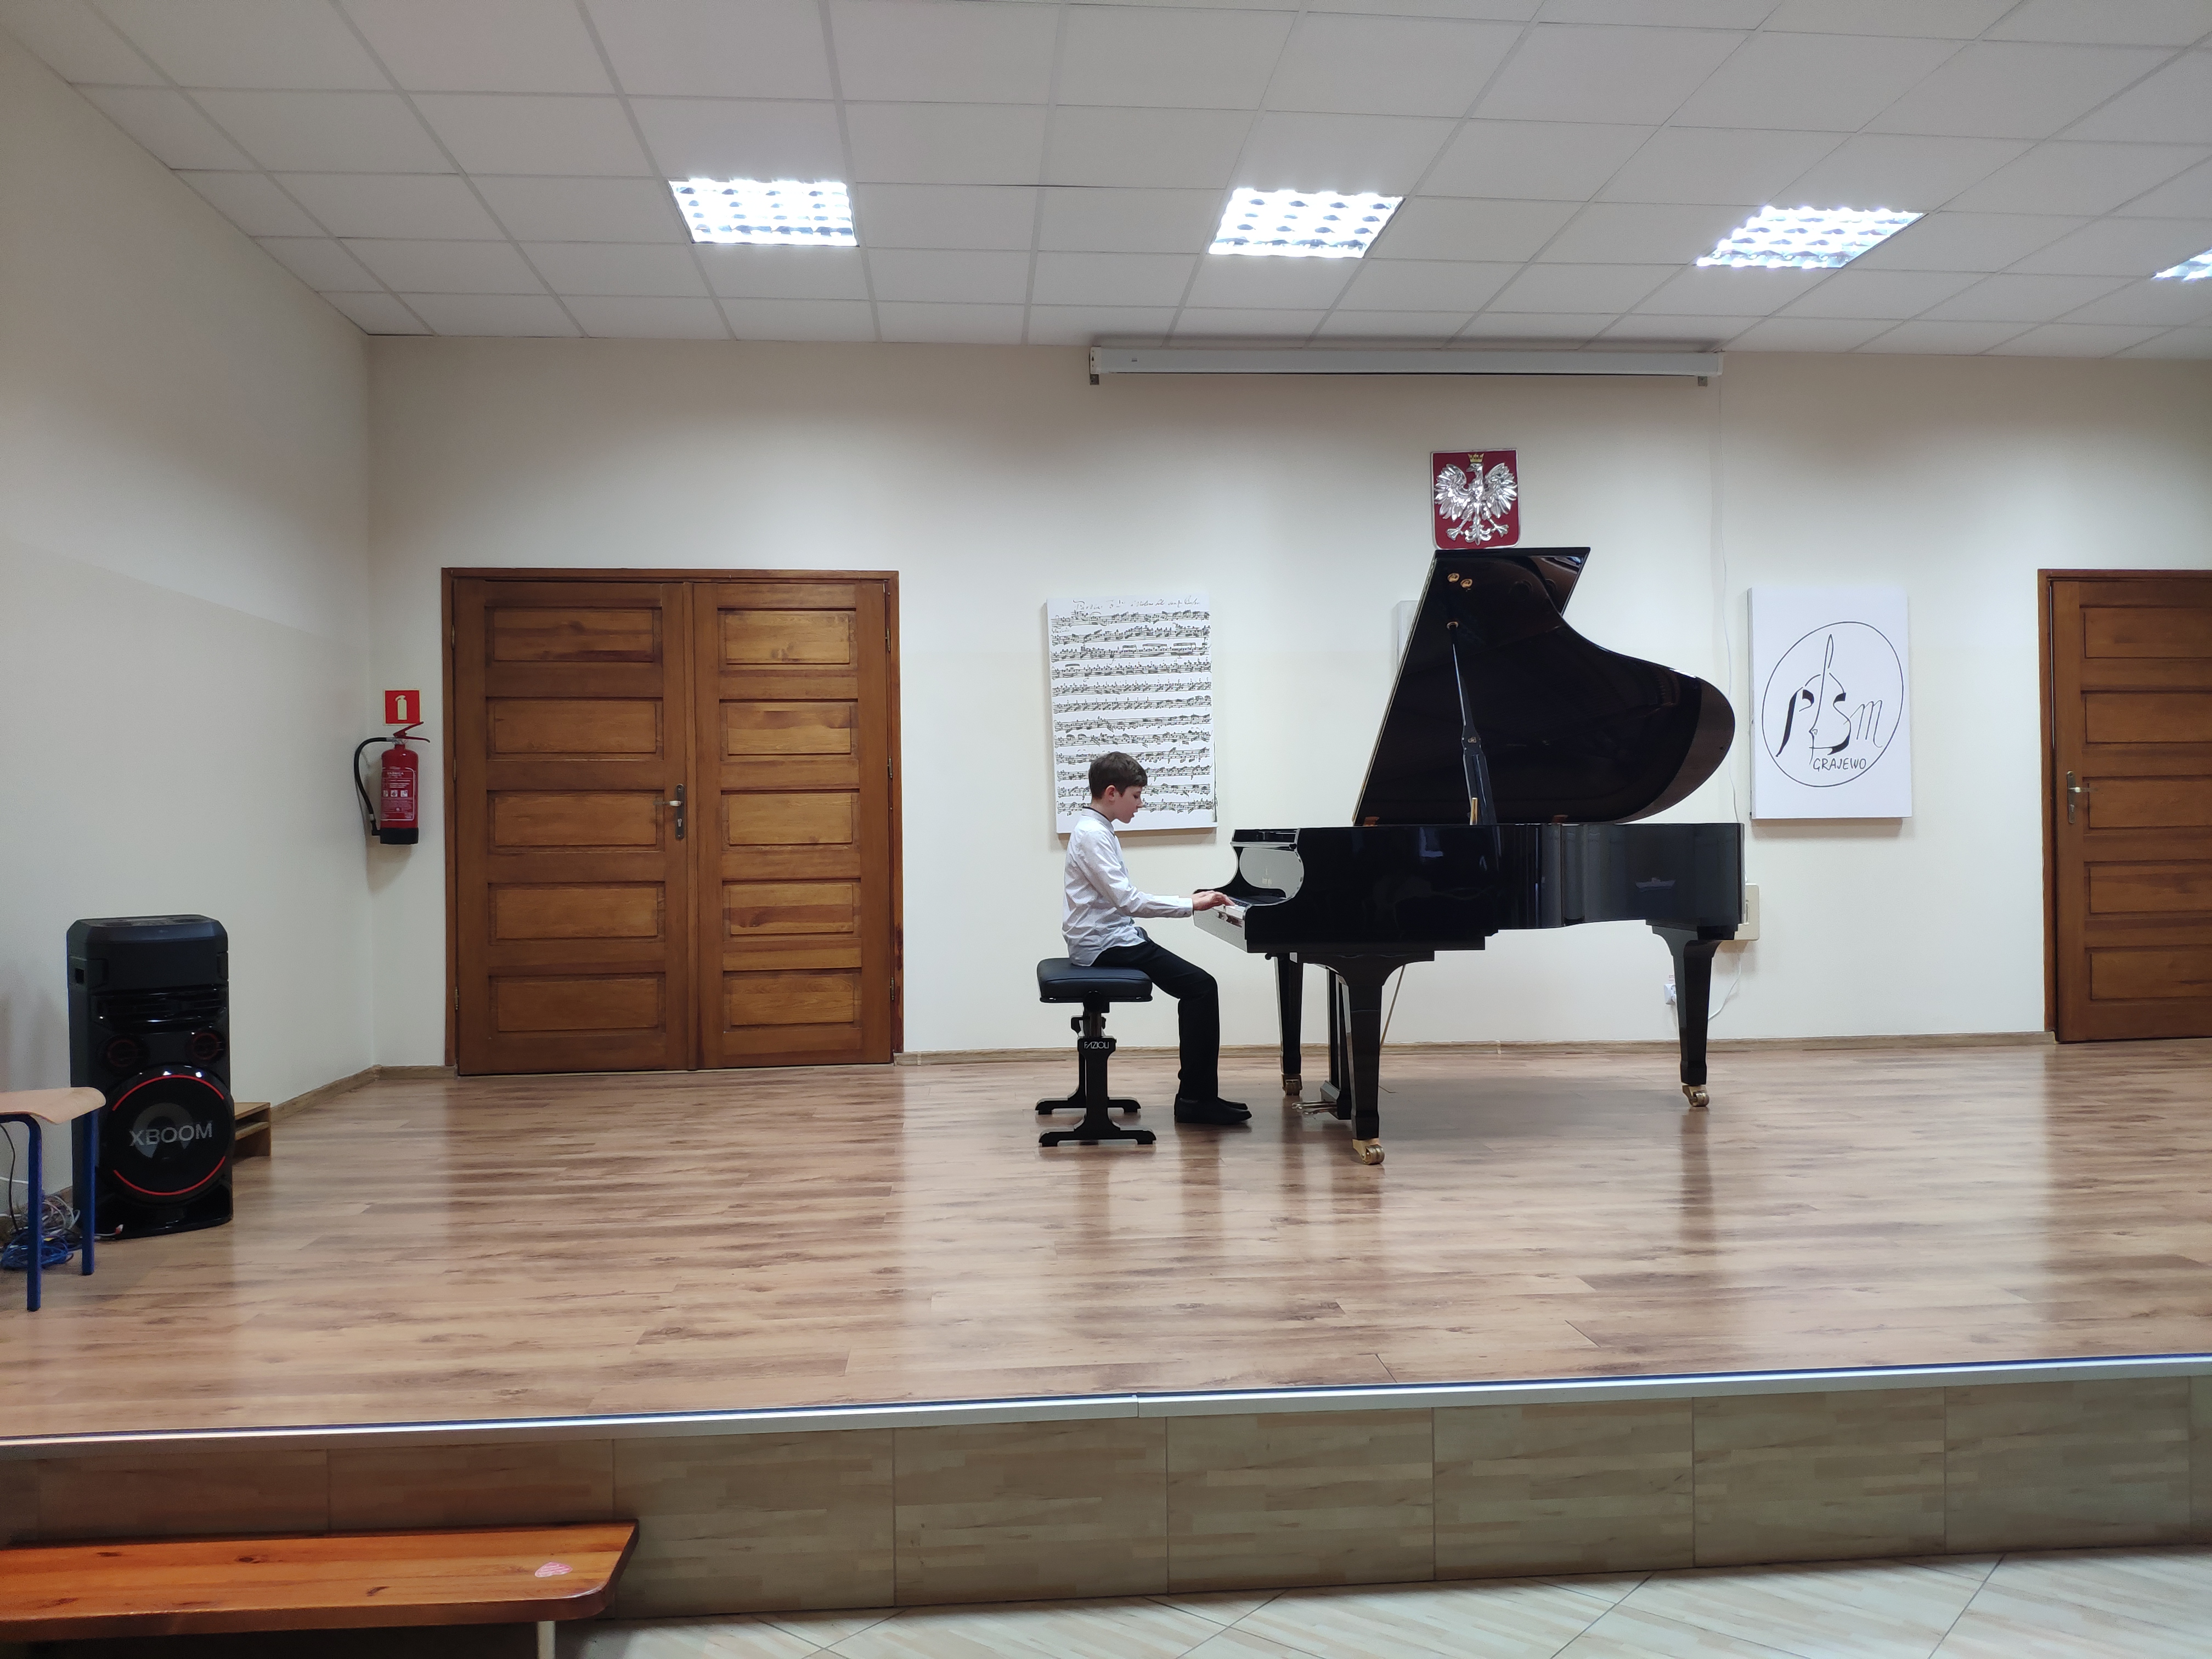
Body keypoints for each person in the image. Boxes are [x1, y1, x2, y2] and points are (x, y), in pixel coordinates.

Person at [1062, 751, 1249, 1126]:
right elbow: (1129, 901)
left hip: (1107, 938)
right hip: (1103, 945)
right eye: (1136, 795)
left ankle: (1197, 1095)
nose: (1140, 803)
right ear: (1112, 793)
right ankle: (1196, 1100)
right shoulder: (1093, 835)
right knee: (1201, 988)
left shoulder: (1096, 829)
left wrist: (1183, 903)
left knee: (1195, 983)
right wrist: (1191, 904)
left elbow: (1122, 903)